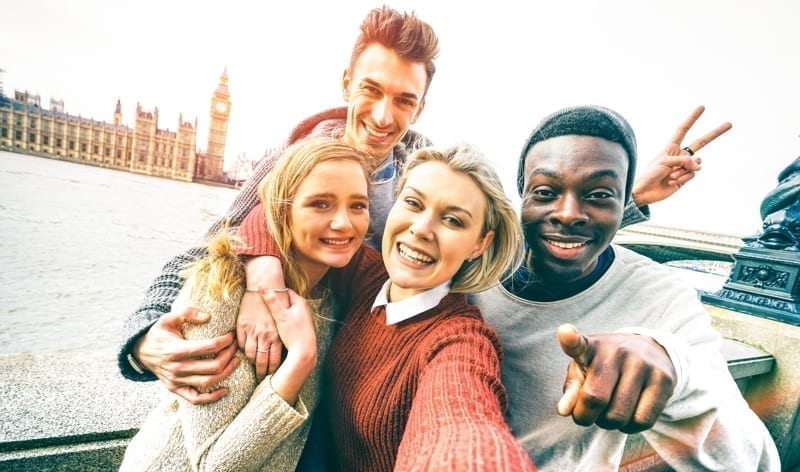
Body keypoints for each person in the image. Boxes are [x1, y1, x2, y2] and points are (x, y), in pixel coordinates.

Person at [117, 5, 707, 402]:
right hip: (277, 375)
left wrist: (631, 200)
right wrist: (143, 340)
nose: (383, 116)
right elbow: (205, 253)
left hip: (366, 374)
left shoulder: (425, 176)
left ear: (420, 106)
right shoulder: (289, 163)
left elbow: (508, 238)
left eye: (404, 100)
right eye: (371, 91)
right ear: (346, 83)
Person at [470, 105, 781, 472]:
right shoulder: (471, 260)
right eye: (544, 192)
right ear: (521, 198)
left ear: (620, 204)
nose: (568, 213)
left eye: (600, 195)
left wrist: (673, 369)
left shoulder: (661, 297)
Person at [237, 142, 555, 472]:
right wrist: (262, 280)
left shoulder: (458, 342)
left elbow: (463, 421)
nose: (421, 229)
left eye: (453, 221)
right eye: (414, 204)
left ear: (480, 244)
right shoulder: (366, 276)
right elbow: (280, 210)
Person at [99, 137, 371, 472]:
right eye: (320, 204)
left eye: (357, 205)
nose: (343, 222)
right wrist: (300, 360)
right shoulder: (222, 291)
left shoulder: (332, 303)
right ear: (281, 211)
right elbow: (216, 468)